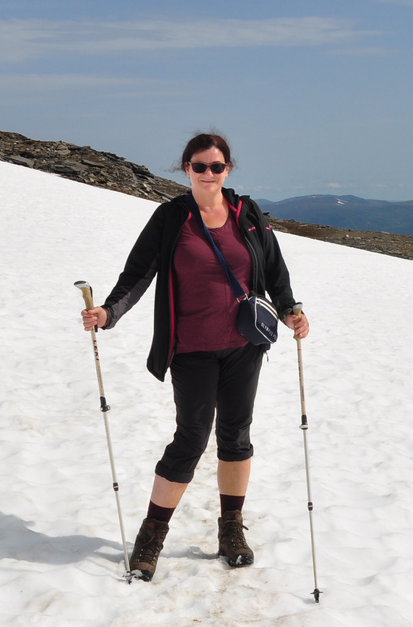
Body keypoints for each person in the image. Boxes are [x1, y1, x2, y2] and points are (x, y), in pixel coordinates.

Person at [81, 131, 310, 581]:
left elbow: (274, 270)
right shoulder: (171, 218)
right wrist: (109, 313)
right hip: (191, 350)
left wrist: (291, 311)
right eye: (200, 166)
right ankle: (152, 536)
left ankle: (230, 529)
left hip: (245, 346)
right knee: (191, 439)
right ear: (186, 168)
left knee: (236, 435)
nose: (209, 174)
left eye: (217, 166)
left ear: (228, 170)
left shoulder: (248, 214)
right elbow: (138, 274)